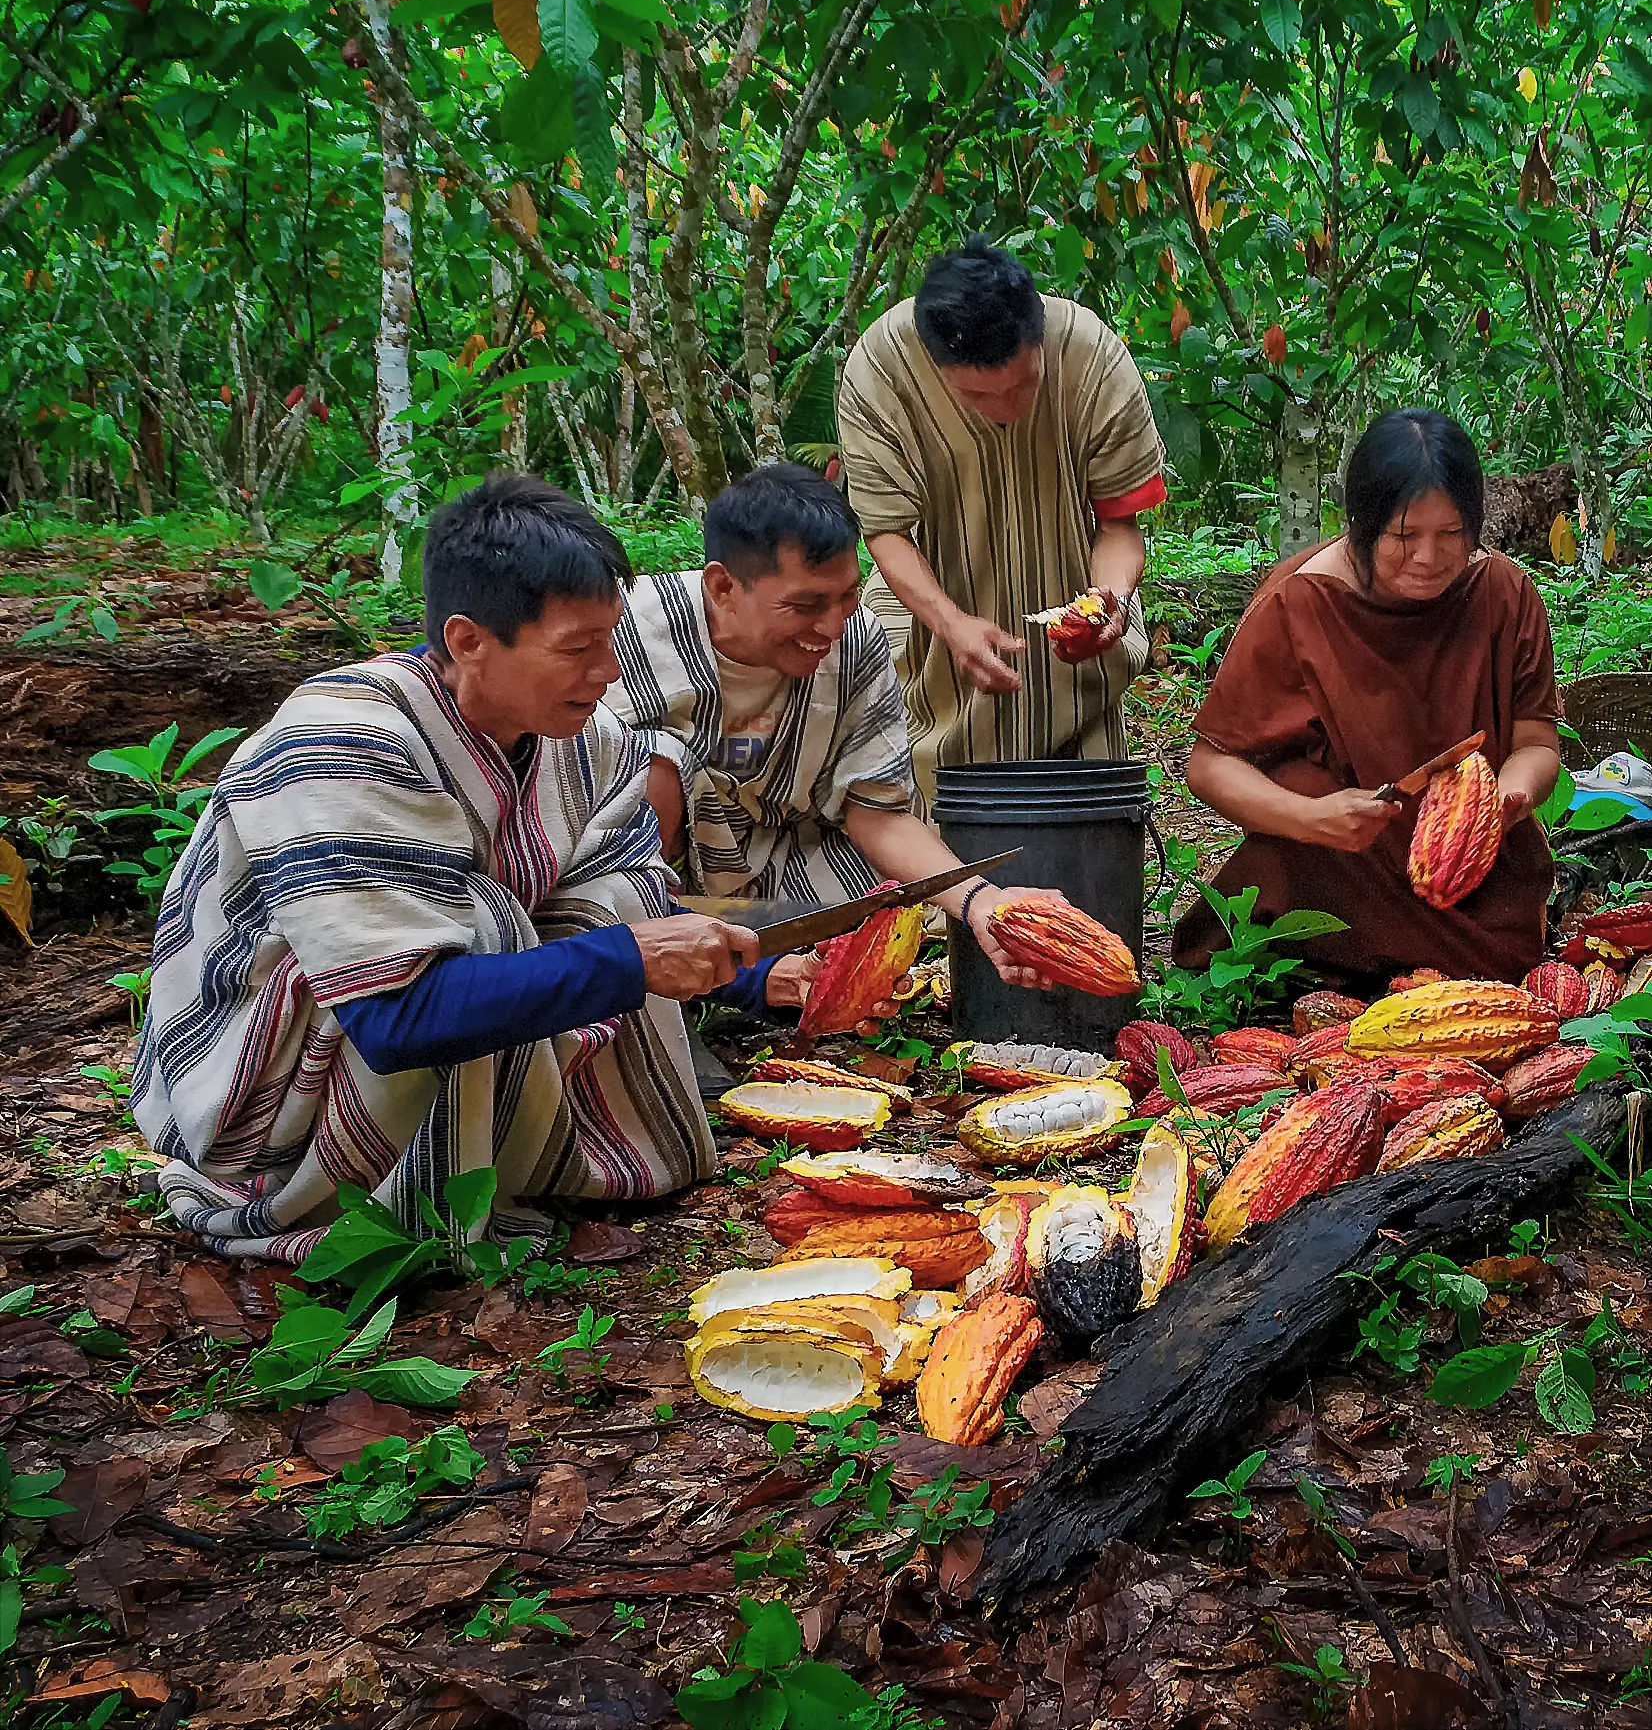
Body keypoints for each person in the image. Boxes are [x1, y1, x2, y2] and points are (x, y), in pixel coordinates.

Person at [133, 475, 788, 1261]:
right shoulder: (343, 740)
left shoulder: (594, 739)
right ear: (469, 640)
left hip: (415, 1024)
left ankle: (521, 1157)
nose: (609, 670)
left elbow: (634, 898)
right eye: (578, 648)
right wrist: (633, 958)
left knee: (609, 897)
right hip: (273, 1082)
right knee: (482, 920)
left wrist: (758, 971)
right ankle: (383, 1201)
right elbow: (393, 1013)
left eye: (611, 640)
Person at [609, 463, 1063, 1022]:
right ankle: (657, 979)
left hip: (785, 876)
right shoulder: (629, 630)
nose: (829, 626)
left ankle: (761, 975)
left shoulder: (856, 641)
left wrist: (981, 904)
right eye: (804, 606)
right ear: (722, 587)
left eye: (846, 597)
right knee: (655, 760)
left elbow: (877, 812)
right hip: (645, 883)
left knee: (878, 919)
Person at [1172, 409, 1562, 984]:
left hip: (1470, 870)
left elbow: (1536, 742)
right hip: (1341, 854)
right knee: (1296, 794)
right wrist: (1313, 819)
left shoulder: (1503, 593)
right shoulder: (1299, 601)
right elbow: (1207, 767)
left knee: (1509, 967)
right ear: (1362, 524)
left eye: (1452, 534)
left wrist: (1501, 801)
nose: (1428, 558)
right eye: (1404, 536)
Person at [836, 237, 1167, 805]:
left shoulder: (1093, 358)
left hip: (1076, 639)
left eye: (1023, 385)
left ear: (1039, 335)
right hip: (932, 637)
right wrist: (951, 623)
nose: (1007, 408)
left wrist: (1107, 599)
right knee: (940, 812)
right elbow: (886, 532)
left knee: (1085, 812)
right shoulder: (880, 371)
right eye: (978, 396)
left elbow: (1119, 524)